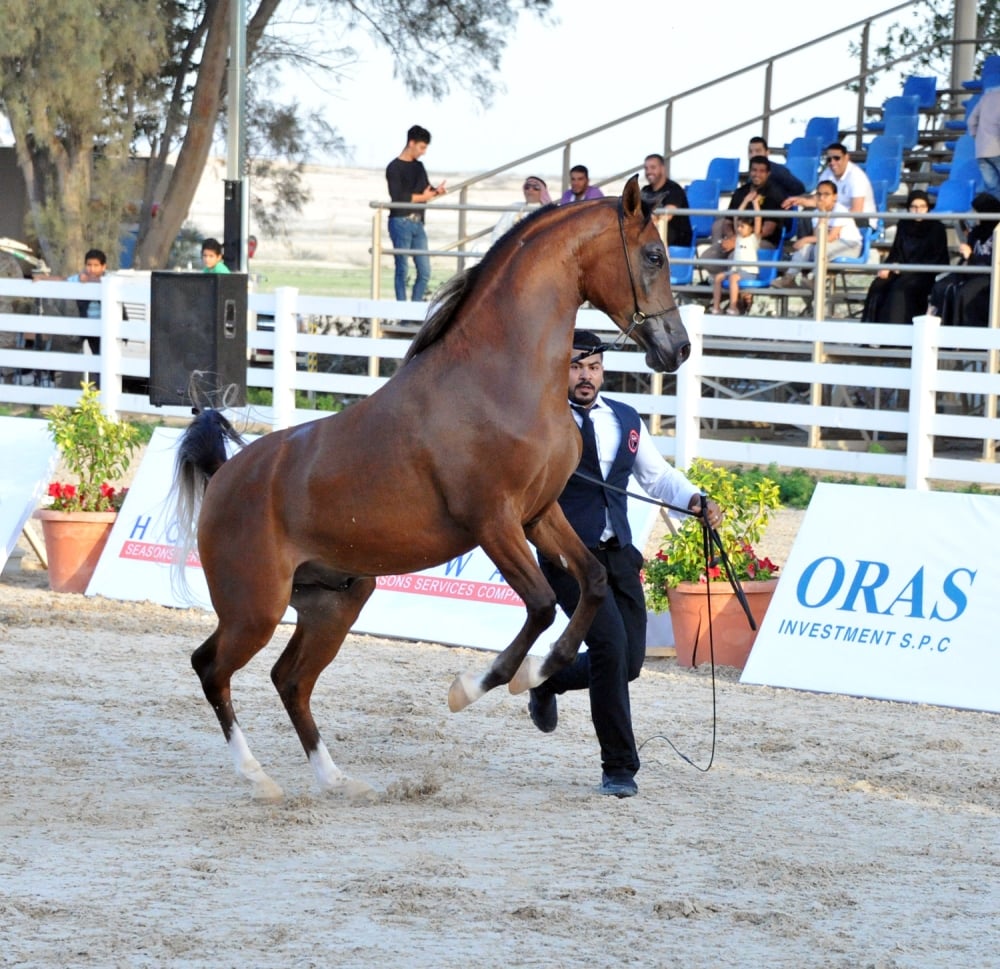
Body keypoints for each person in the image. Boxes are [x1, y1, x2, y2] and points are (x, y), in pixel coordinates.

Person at [528, 330, 722, 799]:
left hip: (618, 556)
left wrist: (695, 499)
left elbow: (658, 478)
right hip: (568, 557)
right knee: (611, 647)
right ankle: (619, 767)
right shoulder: (539, 424)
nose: (585, 376)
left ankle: (549, 677)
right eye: (575, 366)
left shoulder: (626, 420)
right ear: (560, 370)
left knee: (628, 662)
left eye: (593, 367)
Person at [861, 189, 950, 324]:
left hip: (923, 274)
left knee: (901, 288)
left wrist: (906, 269)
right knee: (878, 285)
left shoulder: (937, 228)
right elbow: (896, 251)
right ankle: (871, 334)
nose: (918, 211)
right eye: (914, 207)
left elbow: (938, 259)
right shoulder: (904, 225)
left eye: (922, 207)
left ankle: (895, 334)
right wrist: (889, 266)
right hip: (901, 270)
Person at [385, 124, 446, 302]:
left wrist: (436, 192)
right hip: (400, 221)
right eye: (422, 147)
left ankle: (415, 309)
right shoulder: (394, 167)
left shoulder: (419, 167)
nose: (423, 152)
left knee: (425, 271)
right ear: (411, 143)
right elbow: (398, 196)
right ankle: (404, 312)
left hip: (418, 222)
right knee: (402, 269)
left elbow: (424, 191)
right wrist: (424, 196)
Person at [700, 155, 790, 265]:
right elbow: (728, 221)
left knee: (734, 256)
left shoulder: (775, 194)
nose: (757, 174)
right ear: (749, 171)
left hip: (762, 241)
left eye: (761, 171)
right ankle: (717, 278)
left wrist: (738, 240)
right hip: (738, 236)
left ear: (768, 174)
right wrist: (731, 237)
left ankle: (734, 279)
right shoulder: (740, 192)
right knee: (707, 257)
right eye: (754, 170)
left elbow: (767, 230)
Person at [772, 179, 862, 288]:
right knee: (806, 247)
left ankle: (816, 279)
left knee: (819, 246)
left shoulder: (840, 210)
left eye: (826, 194)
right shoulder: (816, 212)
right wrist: (822, 214)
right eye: (819, 194)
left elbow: (830, 237)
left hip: (849, 246)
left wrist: (804, 239)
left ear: (835, 197)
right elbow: (817, 237)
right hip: (828, 246)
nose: (822, 198)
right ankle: (789, 278)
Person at [929, 191, 1000, 325]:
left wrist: (972, 256)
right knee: (940, 287)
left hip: (988, 275)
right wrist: (966, 255)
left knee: (965, 293)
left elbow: (994, 261)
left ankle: (964, 338)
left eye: (976, 212)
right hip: (971, 270)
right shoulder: (976, 232)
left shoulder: (998, 233)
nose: (973, 215)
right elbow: (967, 256)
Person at [782, 142, 876, 227]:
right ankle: (808, 244)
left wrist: (830, 218)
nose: (832, 162)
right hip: (836, 216)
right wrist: (801, 201)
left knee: (818, 217)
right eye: (829, 159)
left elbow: (857, 211)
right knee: (808, 213)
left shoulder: (856, 176)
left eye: (836, 158)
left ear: (847, 157)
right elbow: (818, 200)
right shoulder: (827, 173)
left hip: (861, 221)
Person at [640, 153, 692, 247]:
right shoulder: (645, 190)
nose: (649, 172)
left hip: (676, 239)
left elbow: (667, 215)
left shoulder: (674, 189)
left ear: (662, 169)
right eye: (646, 168)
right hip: (651, 237)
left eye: (653, 167)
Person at [710, 217, 759, 315]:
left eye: (743, 227)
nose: (739, 229)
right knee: (718, 277)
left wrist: (755, 203)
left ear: (751, 228)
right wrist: (745, 201)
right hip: (736, 271)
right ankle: (716, 307)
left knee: (733, 278)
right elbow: (737, 216)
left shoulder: (754, 239)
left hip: (748, 272)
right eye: (738, 227)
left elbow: (758, 219)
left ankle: (733, 307)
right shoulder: (738, 238)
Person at [490, 176, 552, 247]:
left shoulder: (547, 211)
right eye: (527, 187)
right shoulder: (515, 206)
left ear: (543, 192)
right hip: (508, 248)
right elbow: (498, 230)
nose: (530, 190)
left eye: (536, 188)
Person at [968, 80, 1000, 202]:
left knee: (992, 189)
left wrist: (976, 137)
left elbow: (971, 121)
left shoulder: (986, 98)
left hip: (981, 150)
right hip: (997, 149)